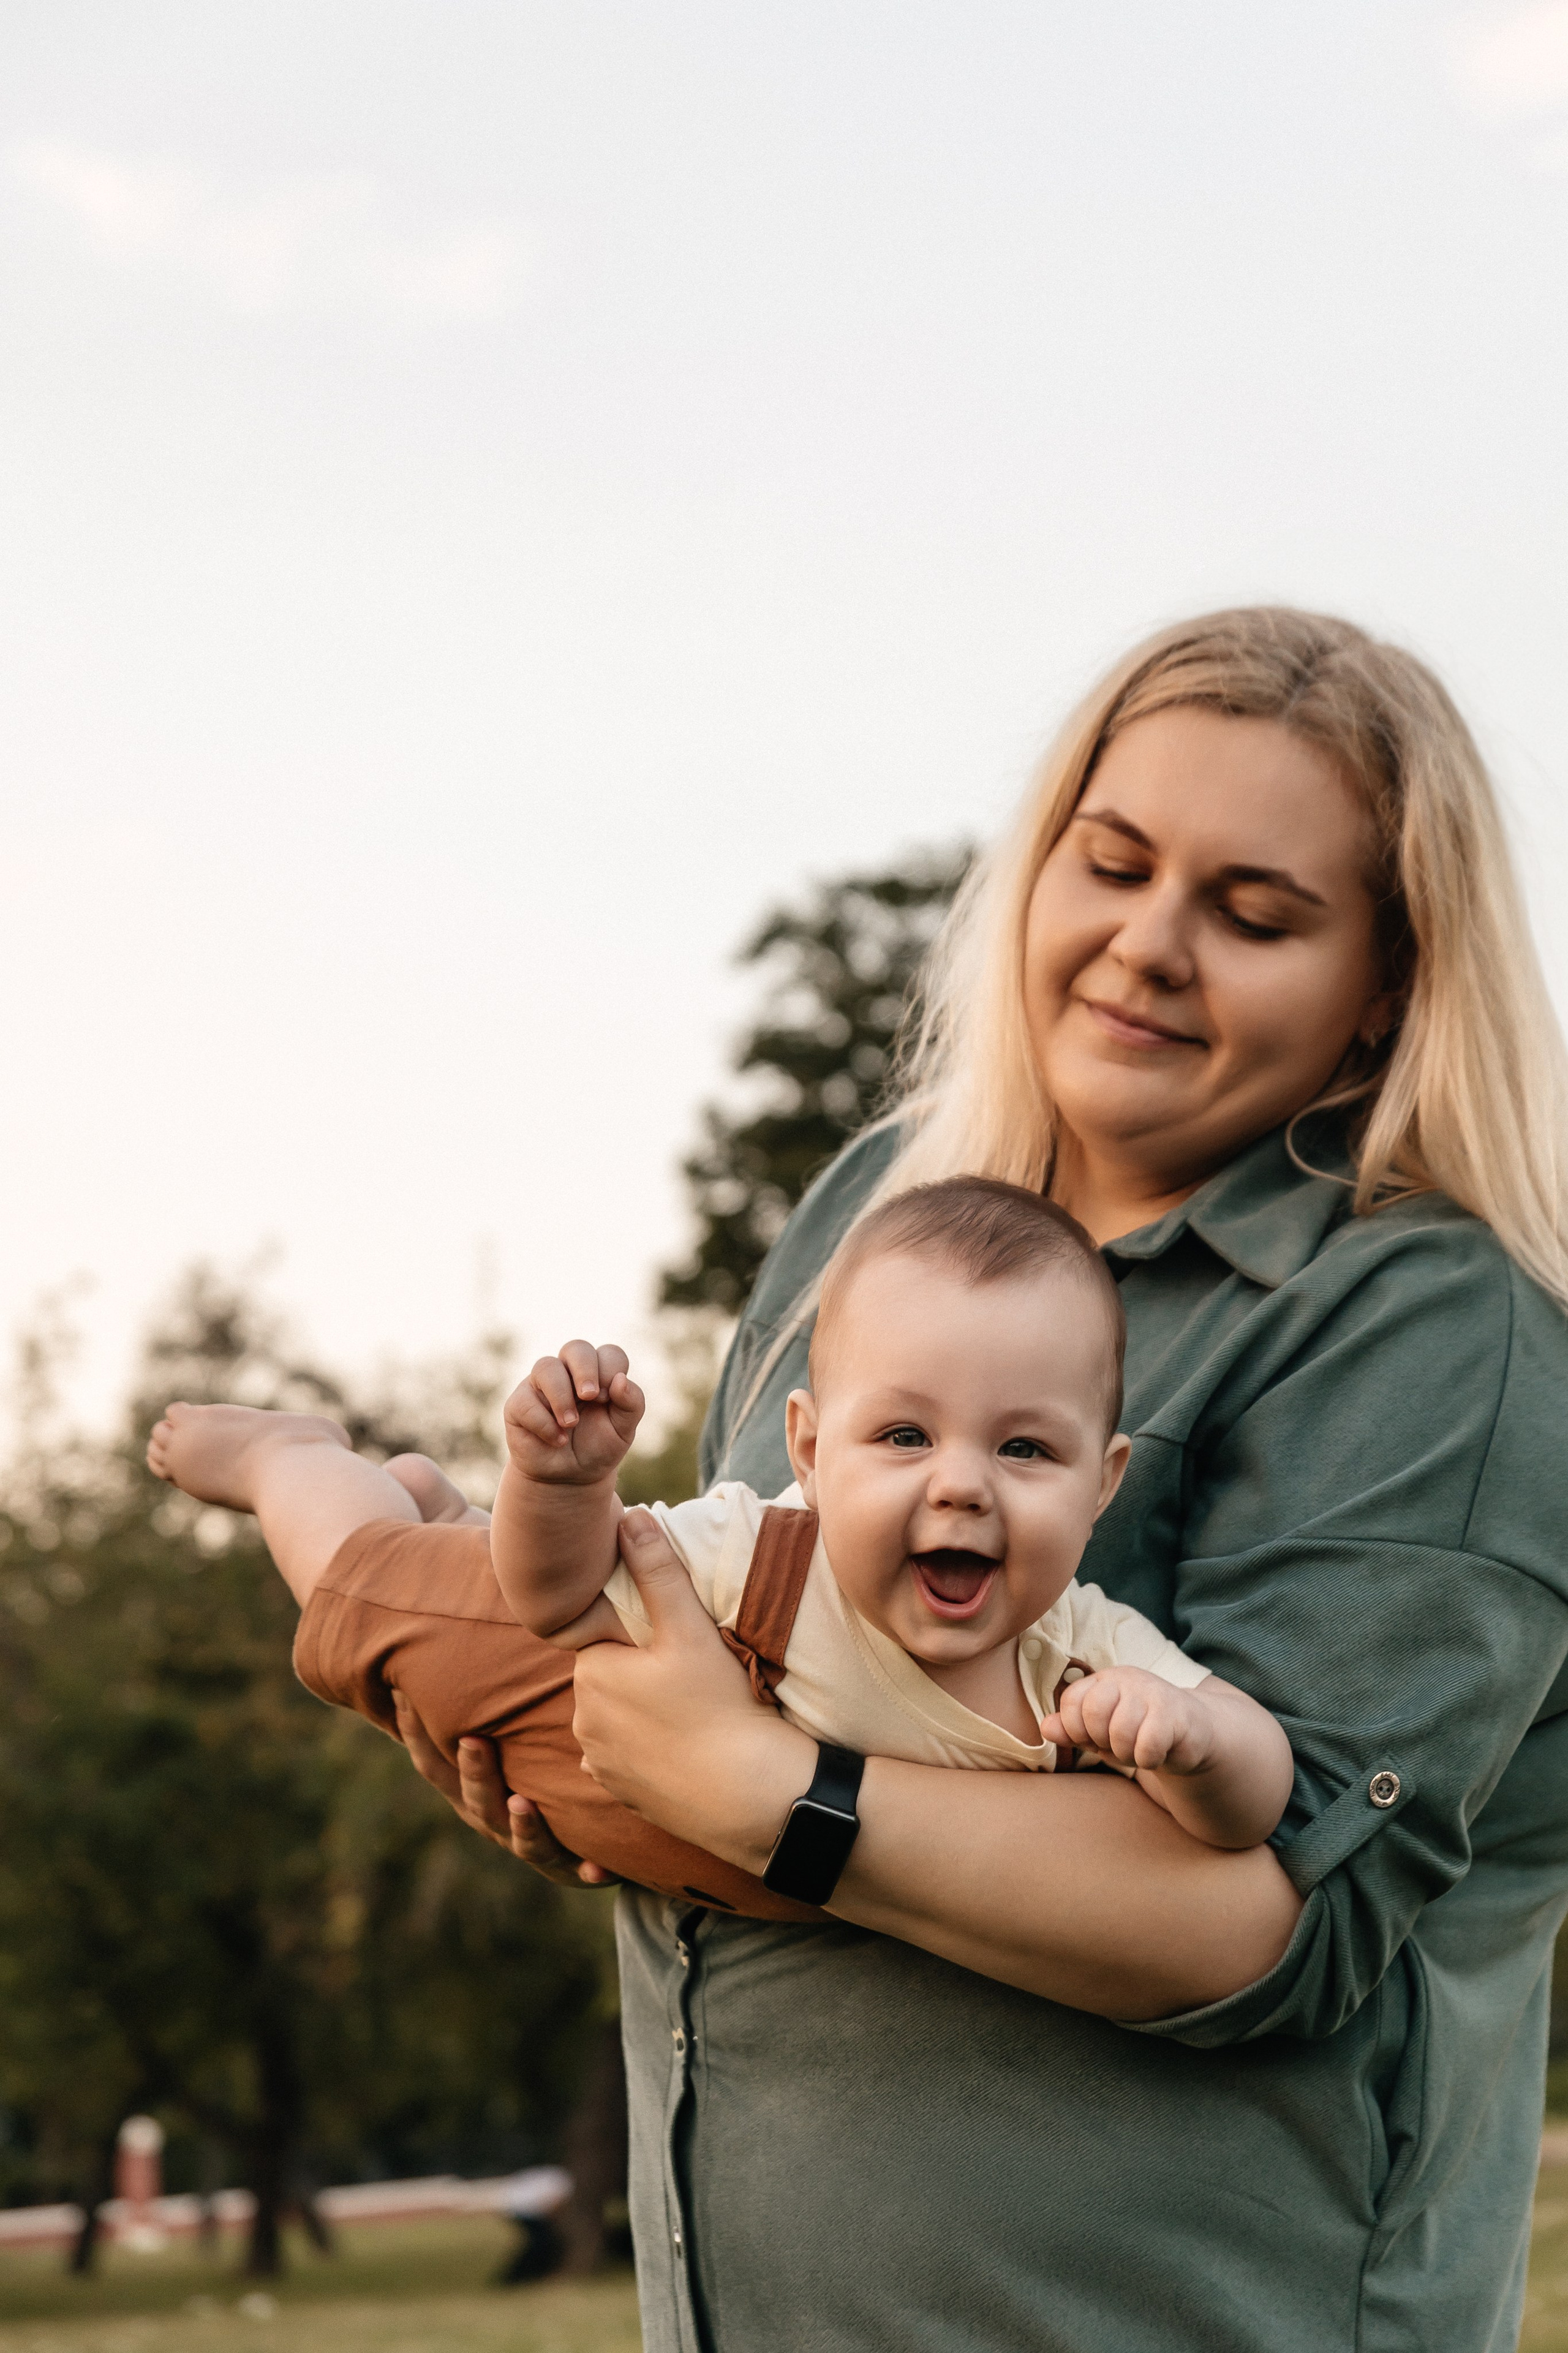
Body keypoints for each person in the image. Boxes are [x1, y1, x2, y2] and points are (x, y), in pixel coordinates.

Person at [242, 606, 1568, 2347]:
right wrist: (575, 1765)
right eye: (1113, 864)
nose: (1150, 946)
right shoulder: (876, 1202)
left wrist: (754, 1791)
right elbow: (722, 1654)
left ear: (1387, 981)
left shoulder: (1433, 1324)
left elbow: (1268, 1920)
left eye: (1254, 915)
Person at [147, 1179, 1292, 1858]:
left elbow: (1258, 1794)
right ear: (808, 1448)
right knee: (379, 1595)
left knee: (470, 1562)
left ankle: (453, 1513)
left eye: (1026, 1448)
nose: (962, 1485)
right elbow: (558, 1591)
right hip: (586, 1707)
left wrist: (1190, 1745)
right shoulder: (765, 1555)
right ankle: (292, 1458)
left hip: (707, 1840)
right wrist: (559, 1488)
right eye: (903, 1436)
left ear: (1104, 1481)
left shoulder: (1078, 1653)